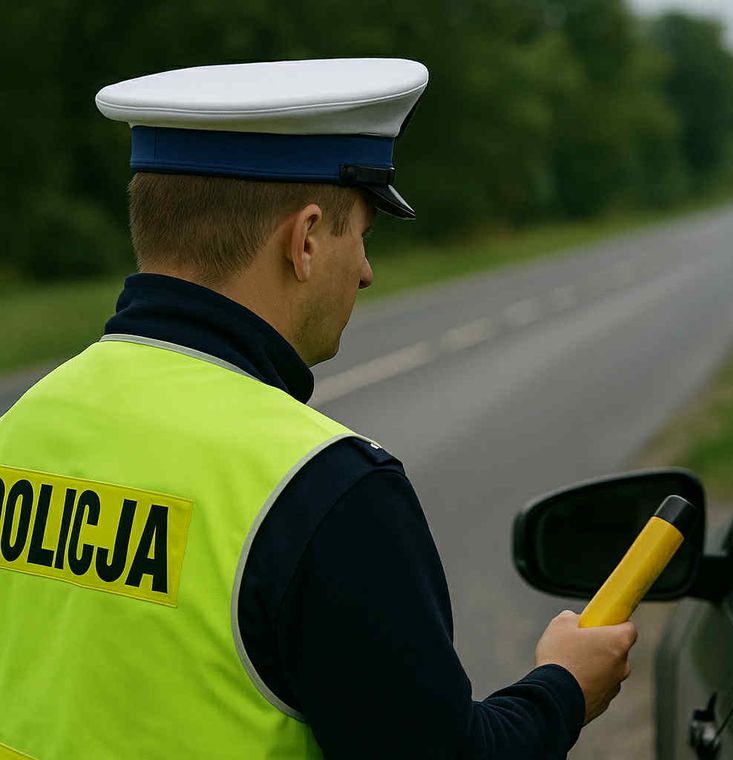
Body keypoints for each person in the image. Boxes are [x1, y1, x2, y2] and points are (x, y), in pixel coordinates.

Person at [0, 58, 636, 759]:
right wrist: (564, 688)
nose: (365, 270)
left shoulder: (23, 424)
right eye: (359, 234)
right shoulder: (326, 491)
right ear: (304, 241)